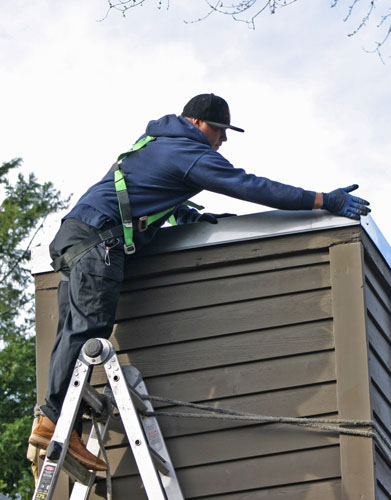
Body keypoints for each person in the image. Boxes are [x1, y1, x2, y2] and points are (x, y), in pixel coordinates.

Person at [28, 93, 370, 471]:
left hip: (74, 235)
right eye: (219, 130)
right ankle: (55, 423)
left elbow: (145, 192)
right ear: (196, 123)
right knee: (88, 330)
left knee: (70, 335)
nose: (223, 139)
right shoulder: (188, 152)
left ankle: (51, 421)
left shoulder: (156, 143)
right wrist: (322, 200)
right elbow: (250, 186)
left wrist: (183, 215)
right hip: (98, 241)